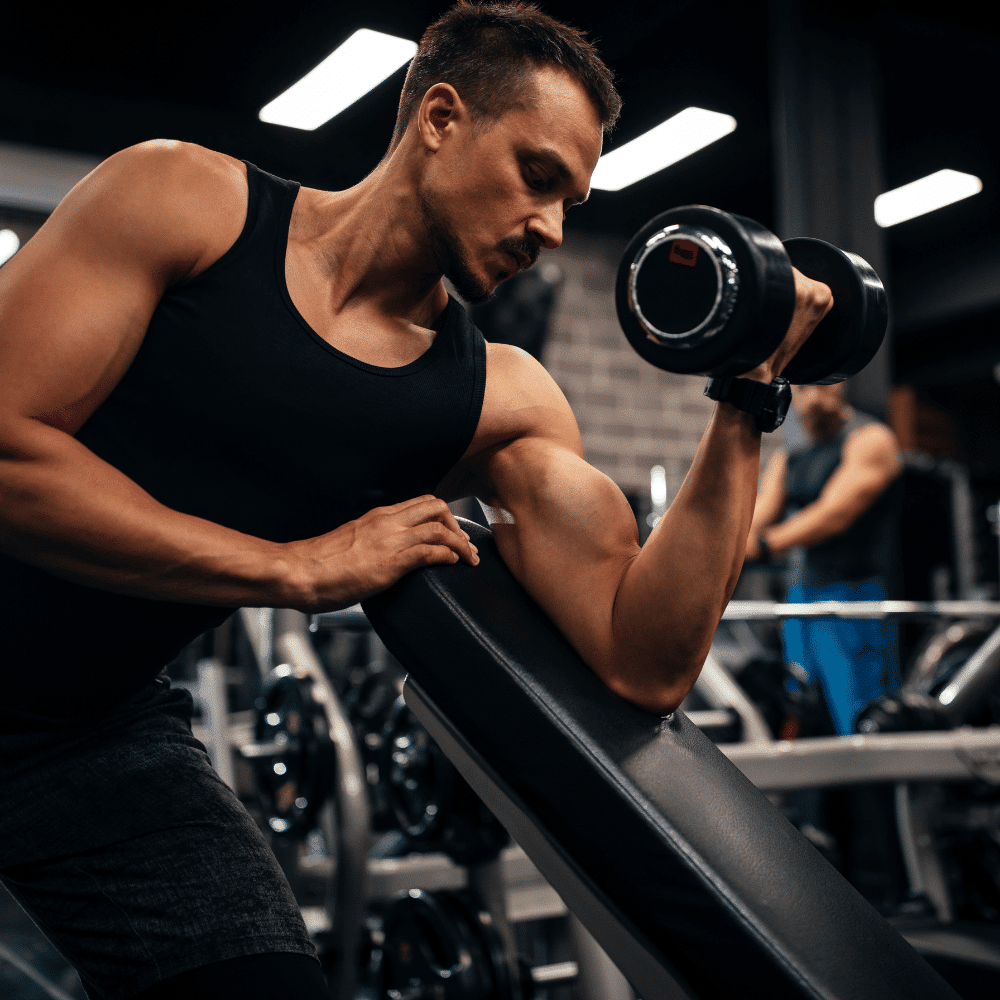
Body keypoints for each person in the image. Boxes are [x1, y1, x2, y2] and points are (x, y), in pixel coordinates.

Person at [0, 3, 833, 998]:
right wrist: (293, 566)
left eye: (573, 200)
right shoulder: (182, 200)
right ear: (439, 118)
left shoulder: (497, 399)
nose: (552, 230)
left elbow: (643, 657)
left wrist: (744, 398)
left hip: (92, 735)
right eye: (537, 177)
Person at [745, 382, 904, 736]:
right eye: (802, 387)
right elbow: (756, 517)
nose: (813, 396)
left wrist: (764, 545)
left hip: (853, 599)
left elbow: (833, 514)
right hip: (801, 600)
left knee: (860, 718)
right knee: (798, 709)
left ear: (843, 382)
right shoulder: (790, 457)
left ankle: (876, 787)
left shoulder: (871, 440)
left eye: (823, 383)